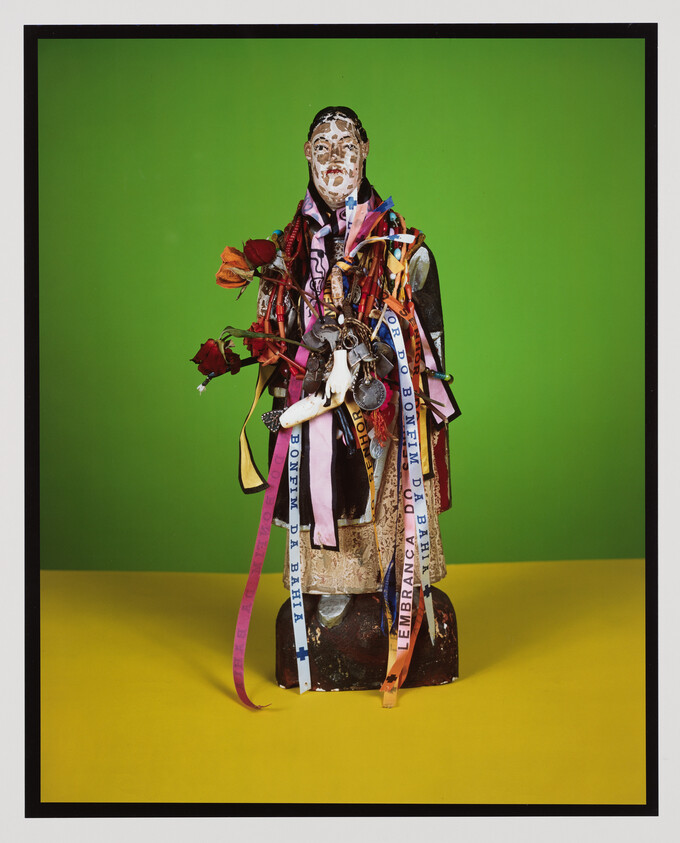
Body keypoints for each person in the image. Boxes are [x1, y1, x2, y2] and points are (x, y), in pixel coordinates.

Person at [214, 106, 460, 704]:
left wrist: (398, 367)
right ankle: (327, 591)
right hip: (318, 404)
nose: (333, 155)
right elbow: (276, 333)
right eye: (321, 143)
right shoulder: (287, 251)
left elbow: (428, 330)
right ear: (305, 153)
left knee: (391, 482)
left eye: (345, 143)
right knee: (322, 474)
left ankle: (404, 590)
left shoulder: (399, 242)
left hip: (385, 402)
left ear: (366, 150)